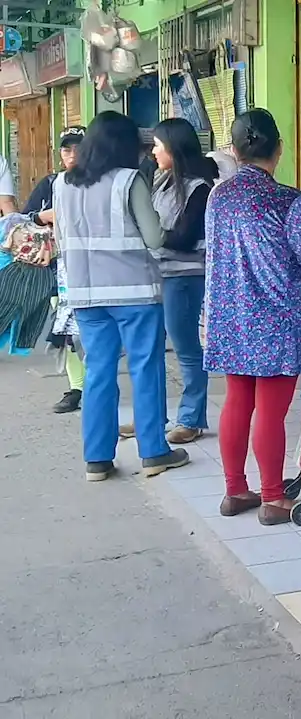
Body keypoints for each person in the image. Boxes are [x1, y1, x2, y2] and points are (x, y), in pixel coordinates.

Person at [204, 109, 301, 525]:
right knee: (271, 412)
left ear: (235, 151)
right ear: (278, 148)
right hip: (278, 317)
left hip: (232, 315)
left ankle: (235, 490)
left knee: (236, 402)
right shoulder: (287, 199)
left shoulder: (217, 198)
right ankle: (274, 498)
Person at [52, 111, 190, 482]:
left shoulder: (62, 184)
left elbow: (62, 239)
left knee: (98, 372)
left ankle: (96, 459)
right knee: (145, 369)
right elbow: (154, 238)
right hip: (134, 294)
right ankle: (154, 453)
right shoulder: (129, 181)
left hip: (85, 295)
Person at [150, 118, 216, 444]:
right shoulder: (161, 182)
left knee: (187, 349)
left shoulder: (199, 188)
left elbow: (186, 237)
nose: (153, 152)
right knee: (151, 350)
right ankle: (154, 416)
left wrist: (150, 236)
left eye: (158, 146)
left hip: (185, 277)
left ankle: (191, 418)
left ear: (174, 149)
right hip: (158, 275)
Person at [32, 126, 87, 413]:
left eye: (78, 147)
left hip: (94, 268)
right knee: (67, 333)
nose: (73, 154)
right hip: (59, 271)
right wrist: (44, 217)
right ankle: (77, 387)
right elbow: (27, 221)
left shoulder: (101, 181)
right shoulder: (50, 183)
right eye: (67, 149)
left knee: (92, 331)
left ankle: (97, 385)